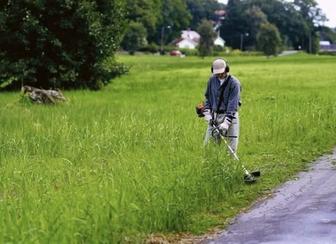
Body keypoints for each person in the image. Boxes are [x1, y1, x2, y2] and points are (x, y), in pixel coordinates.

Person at [203, 58, 241, 152]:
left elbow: (233, 103)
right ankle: (211, 166)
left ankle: (231, 166)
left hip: (230, 117)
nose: (219, 75)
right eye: (217, 73)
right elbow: (208, 97)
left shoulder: (234, 83)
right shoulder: (212, 80)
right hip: (214, 117)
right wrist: (207, 112)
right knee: (208, 146)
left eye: (221, 72)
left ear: (226, 69)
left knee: (231, 149)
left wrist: (227, 122)